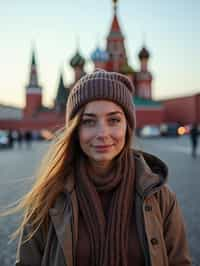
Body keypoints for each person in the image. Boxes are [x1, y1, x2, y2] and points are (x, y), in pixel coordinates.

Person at [8, 70, 191, 265]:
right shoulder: (48, 197)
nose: (102, 133)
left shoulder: (159, 197)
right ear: (75, 130)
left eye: (114, 120)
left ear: (127, 126)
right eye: (88, 121)